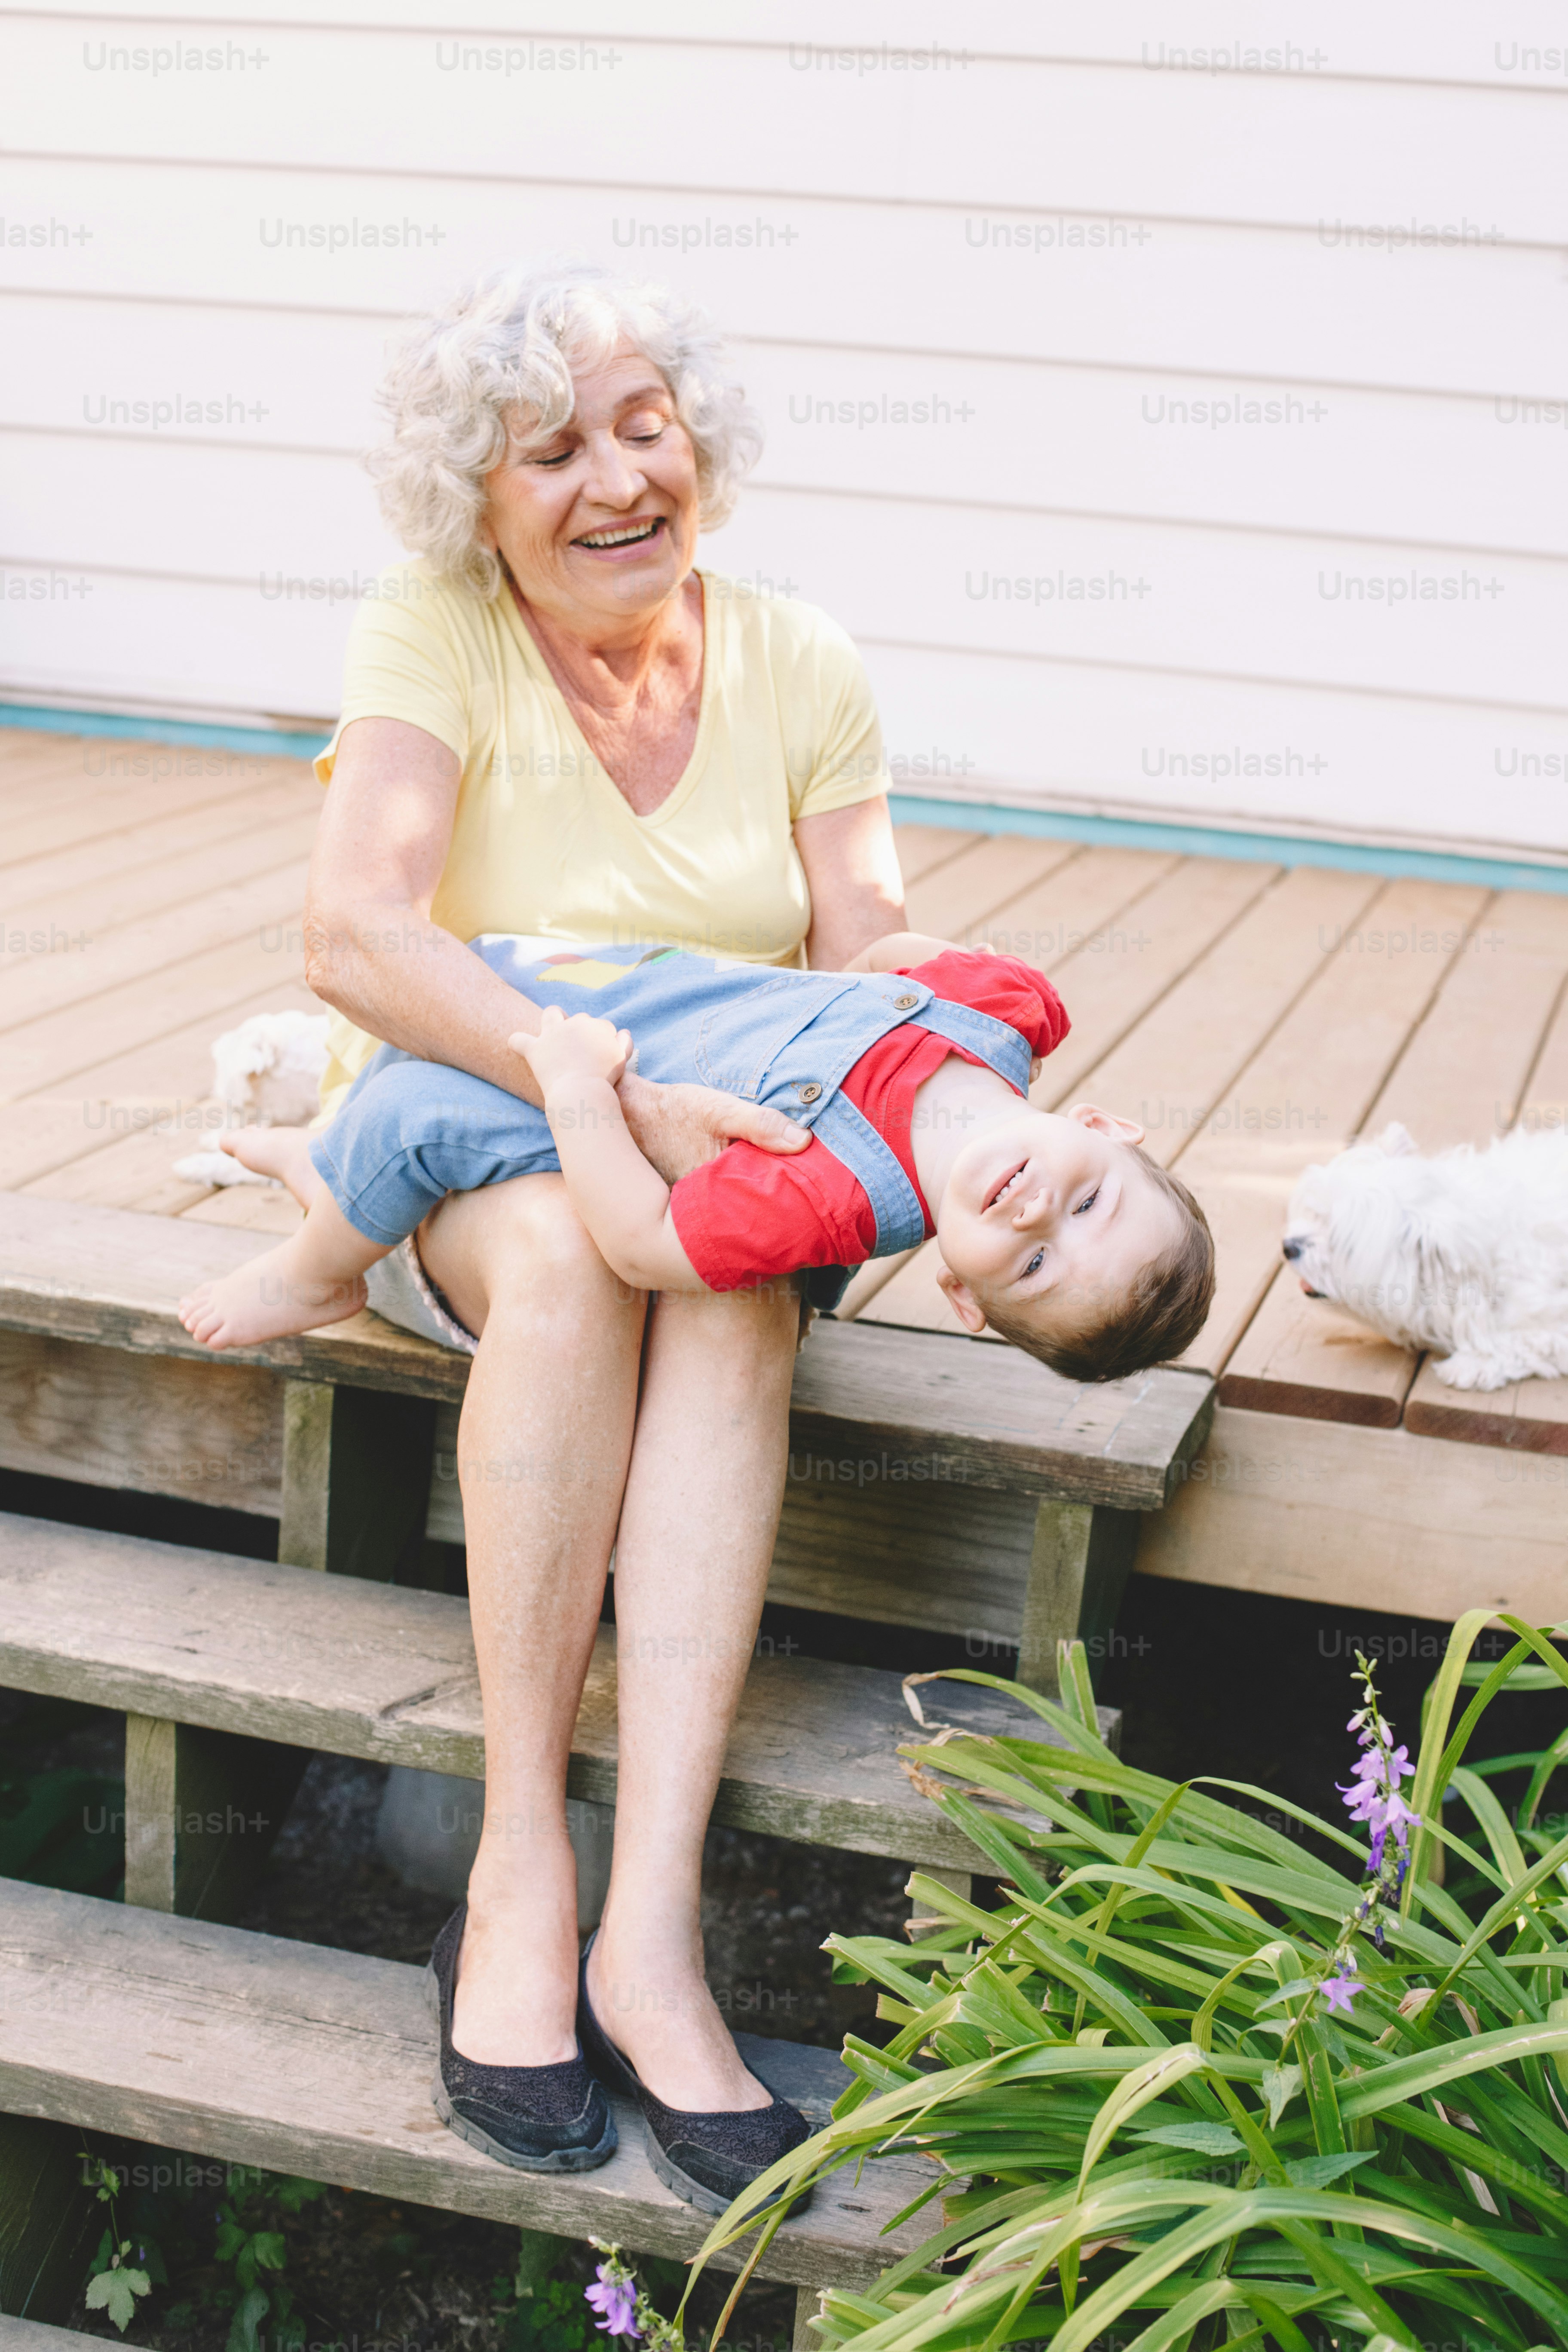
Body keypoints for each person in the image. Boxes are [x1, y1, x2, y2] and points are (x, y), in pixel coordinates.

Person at [276, 262, 912, 2210]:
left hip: (711, 1163)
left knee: (715, 1286)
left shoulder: (798, 656)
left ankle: (646, 1927)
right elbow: (357, 930)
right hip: (463, 1145)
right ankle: (516, 1870)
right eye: (549, 449)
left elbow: (870, 948)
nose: (613, 476)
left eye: (643, 425)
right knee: (569, 1246)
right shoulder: (434, 632)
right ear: (476, 498)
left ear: (695, 439)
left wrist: (963, 1124)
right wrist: (593, 1087)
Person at [180, 930, 1214, 1383]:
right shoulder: (1011, 1012)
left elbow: (642, 1240)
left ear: (962, 1297)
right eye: (1092, 1208)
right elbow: (907, 961)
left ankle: (315, 1273)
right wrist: (860, 976)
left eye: (1034, 1269)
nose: (1040, 1220)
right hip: (635, 988)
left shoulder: (827, 1198)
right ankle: (314, 1161)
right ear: (1105, 1126)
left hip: (602, 1081)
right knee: (450, 995)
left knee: (414, 1115)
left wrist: (582, 1093)